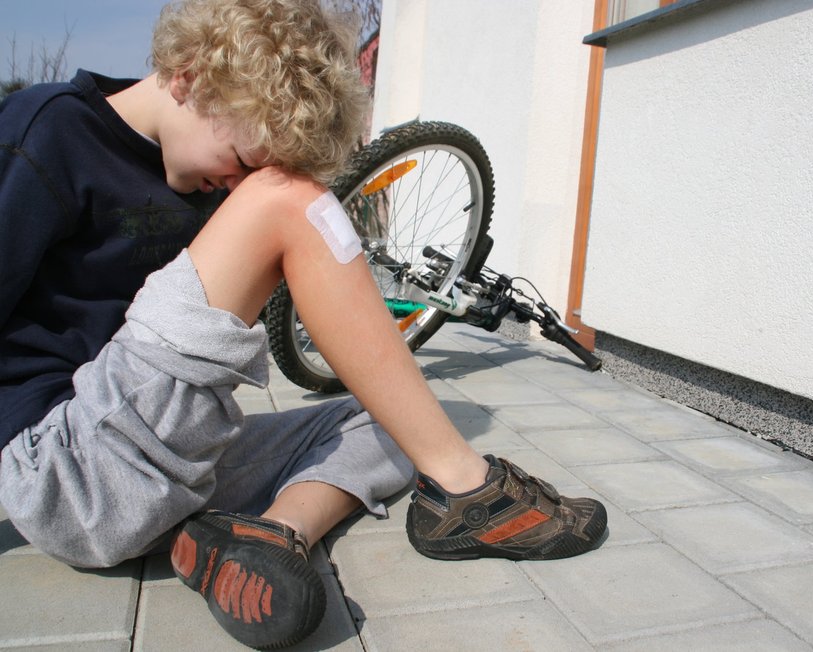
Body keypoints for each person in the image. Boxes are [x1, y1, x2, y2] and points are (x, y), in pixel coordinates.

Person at [0, 0, 607, 648]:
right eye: (236, 157)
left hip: (159, 470)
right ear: (188, 75)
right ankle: (469, 488)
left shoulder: (196, 180)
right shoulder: (49, 131)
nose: (228, 185)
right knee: (291, 200)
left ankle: (271, 539)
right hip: (64, 465)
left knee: (391, 419)